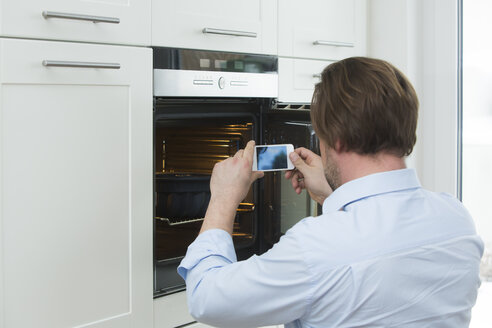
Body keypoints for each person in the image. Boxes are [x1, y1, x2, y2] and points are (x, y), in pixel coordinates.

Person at [177, 57, 484, 327]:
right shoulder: (457, 219)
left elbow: (207, 299)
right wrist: (332, 196)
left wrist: (223, 197)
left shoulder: (315, 247)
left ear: (335, 139)